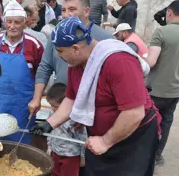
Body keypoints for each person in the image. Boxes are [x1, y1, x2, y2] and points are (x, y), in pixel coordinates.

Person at [30, 16, 160, 176]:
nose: (60, 56)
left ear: (76, 48)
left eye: (60, 51)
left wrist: (106, 141)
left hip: (132, 137)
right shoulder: (75, 65)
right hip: (100, 137)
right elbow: (71, 98)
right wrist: (50, 123)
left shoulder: (119, 62)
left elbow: (134, 113)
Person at [28, 0, 114, 115]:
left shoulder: (105, 39)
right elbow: (45, 67)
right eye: (63, 10)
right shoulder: (57, 35)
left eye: (72, 9)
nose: (67, 15)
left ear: (87, 11)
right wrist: (36, 98)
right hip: (59, 105)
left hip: (92, 111)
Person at [0, 0, 44, 145]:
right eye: (9, 22)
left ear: (25, 23)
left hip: (21, 105)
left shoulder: (35, 45)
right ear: (4, 22)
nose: (13, 26)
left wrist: (37, 98)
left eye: (17, 22)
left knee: (19, 144)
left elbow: (42, 73)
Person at [144, 0, 179, 166]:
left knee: (147, 122)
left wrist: (139, 60)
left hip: (155, 90)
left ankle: (143, 155)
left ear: (169, 13)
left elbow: (150, 62)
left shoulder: (161, 32)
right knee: (166, 122)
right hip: (175, 91)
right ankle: (157, 156)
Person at [46, 83, 87, 176]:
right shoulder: (52, 114)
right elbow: (50, 132)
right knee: (54, 173)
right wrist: (50, 147)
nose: (52, 109)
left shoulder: (76, 121)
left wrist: (83, 157)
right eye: (51, 105)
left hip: (71, 156)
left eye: (55, 106)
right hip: (55, 153)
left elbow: (83, 139)